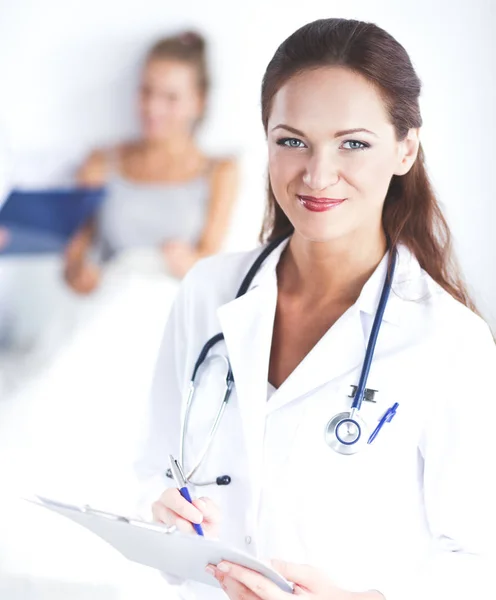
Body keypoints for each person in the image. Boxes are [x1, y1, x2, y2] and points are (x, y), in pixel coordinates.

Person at [135, 18, 495, 600]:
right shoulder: (209, 292)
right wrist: (163, 515)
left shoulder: (451, 340)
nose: (317, 174)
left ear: (406, 148)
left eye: (353, 143)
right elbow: (152, 470)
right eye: (292, 140)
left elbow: (482, 559)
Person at [64, 30, 238, 293]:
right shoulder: (99, 164)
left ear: (199, 101)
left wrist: (189, 264)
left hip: (173, 310)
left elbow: (212, 270)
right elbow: (72, 261)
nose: (153, 108)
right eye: (146, 91)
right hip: (110, 306)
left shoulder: (220, 171)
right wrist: (80, 274)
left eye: (171, 98)